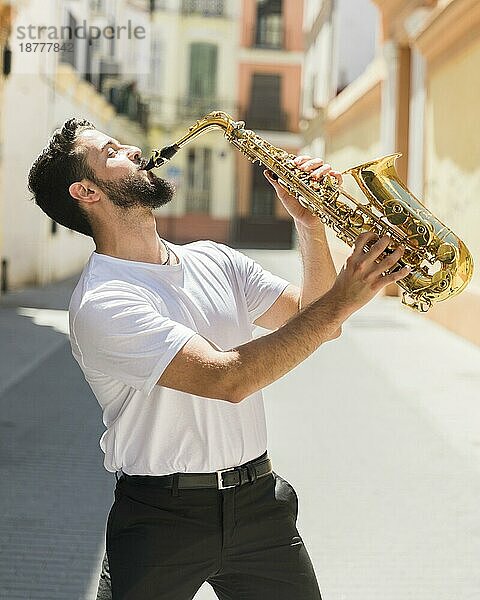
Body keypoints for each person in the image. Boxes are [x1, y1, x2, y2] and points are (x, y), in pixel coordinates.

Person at [28, 118, 410, 600]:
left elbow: (318, 323)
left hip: (257, 503)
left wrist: (310, 225)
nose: (132, 147)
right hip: (159, 516)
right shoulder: (104, 300)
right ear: (87, 191)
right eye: (112, 151)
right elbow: (228, 380)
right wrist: (344, 296)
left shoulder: (216, 259)